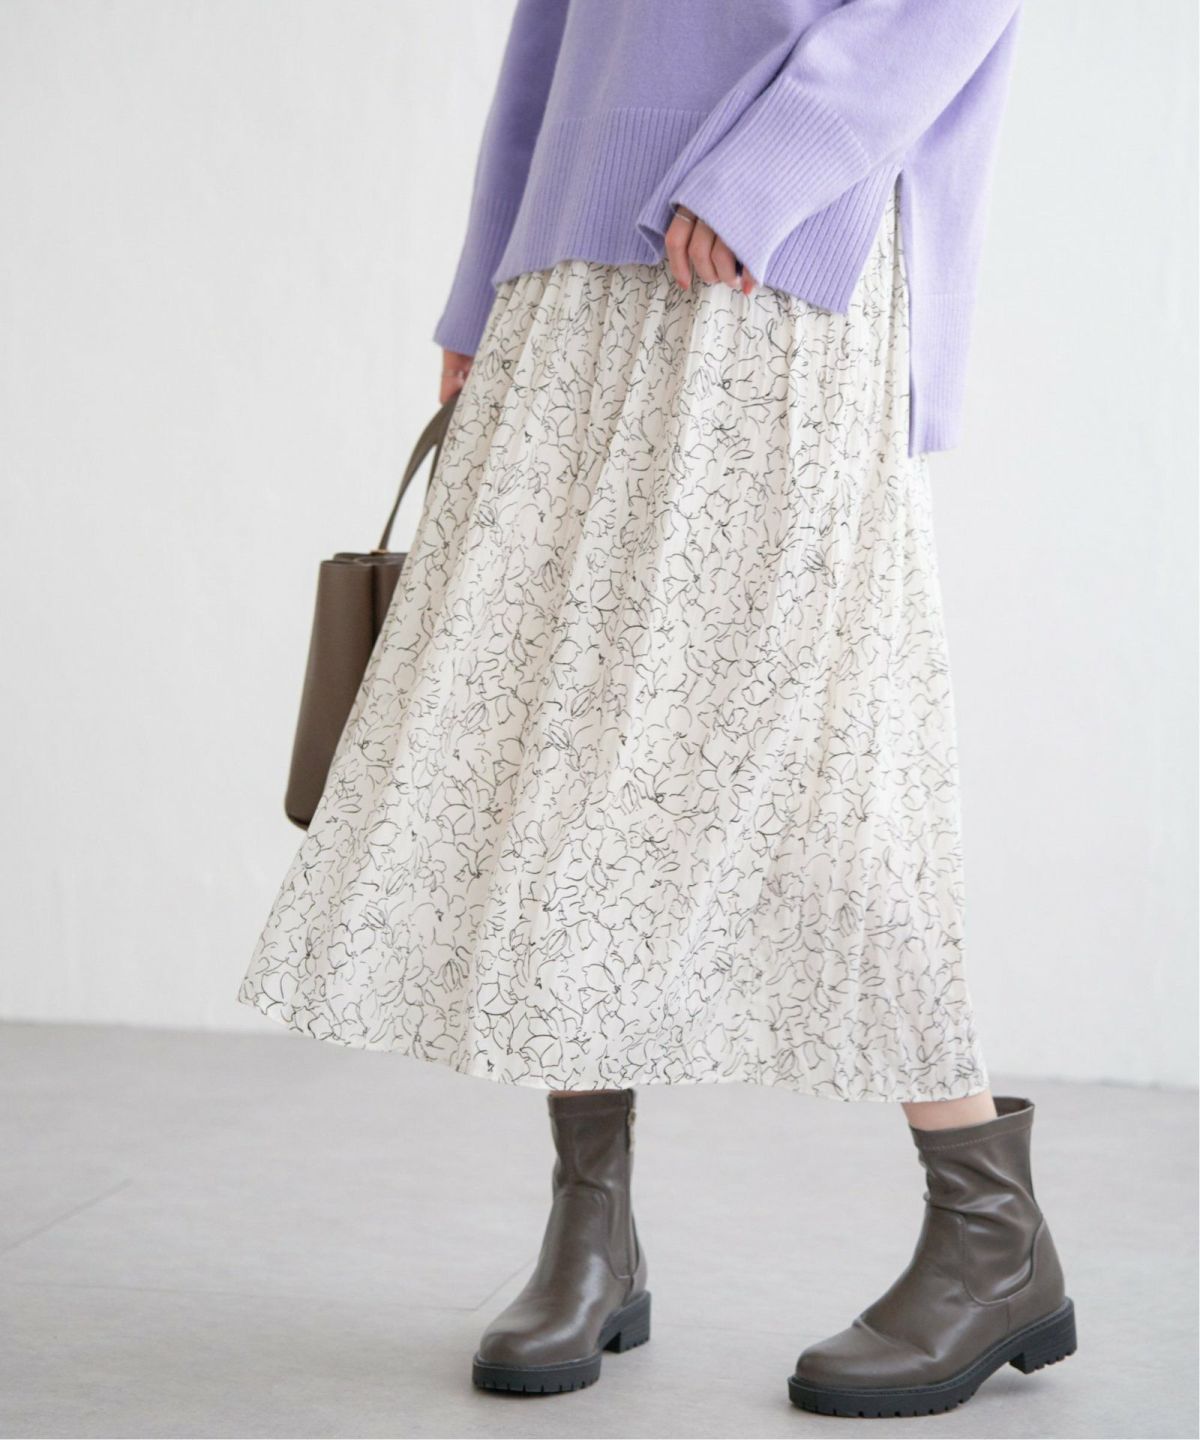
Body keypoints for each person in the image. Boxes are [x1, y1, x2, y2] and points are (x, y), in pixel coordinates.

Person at [239, 0, 1076, 1417]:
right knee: (566, 752)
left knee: (831, 754)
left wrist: (776, 165)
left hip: (781, 251)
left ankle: (993, 1234)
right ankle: (591, 1228)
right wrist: (485, 283)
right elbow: (554, 29)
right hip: (571, 259)